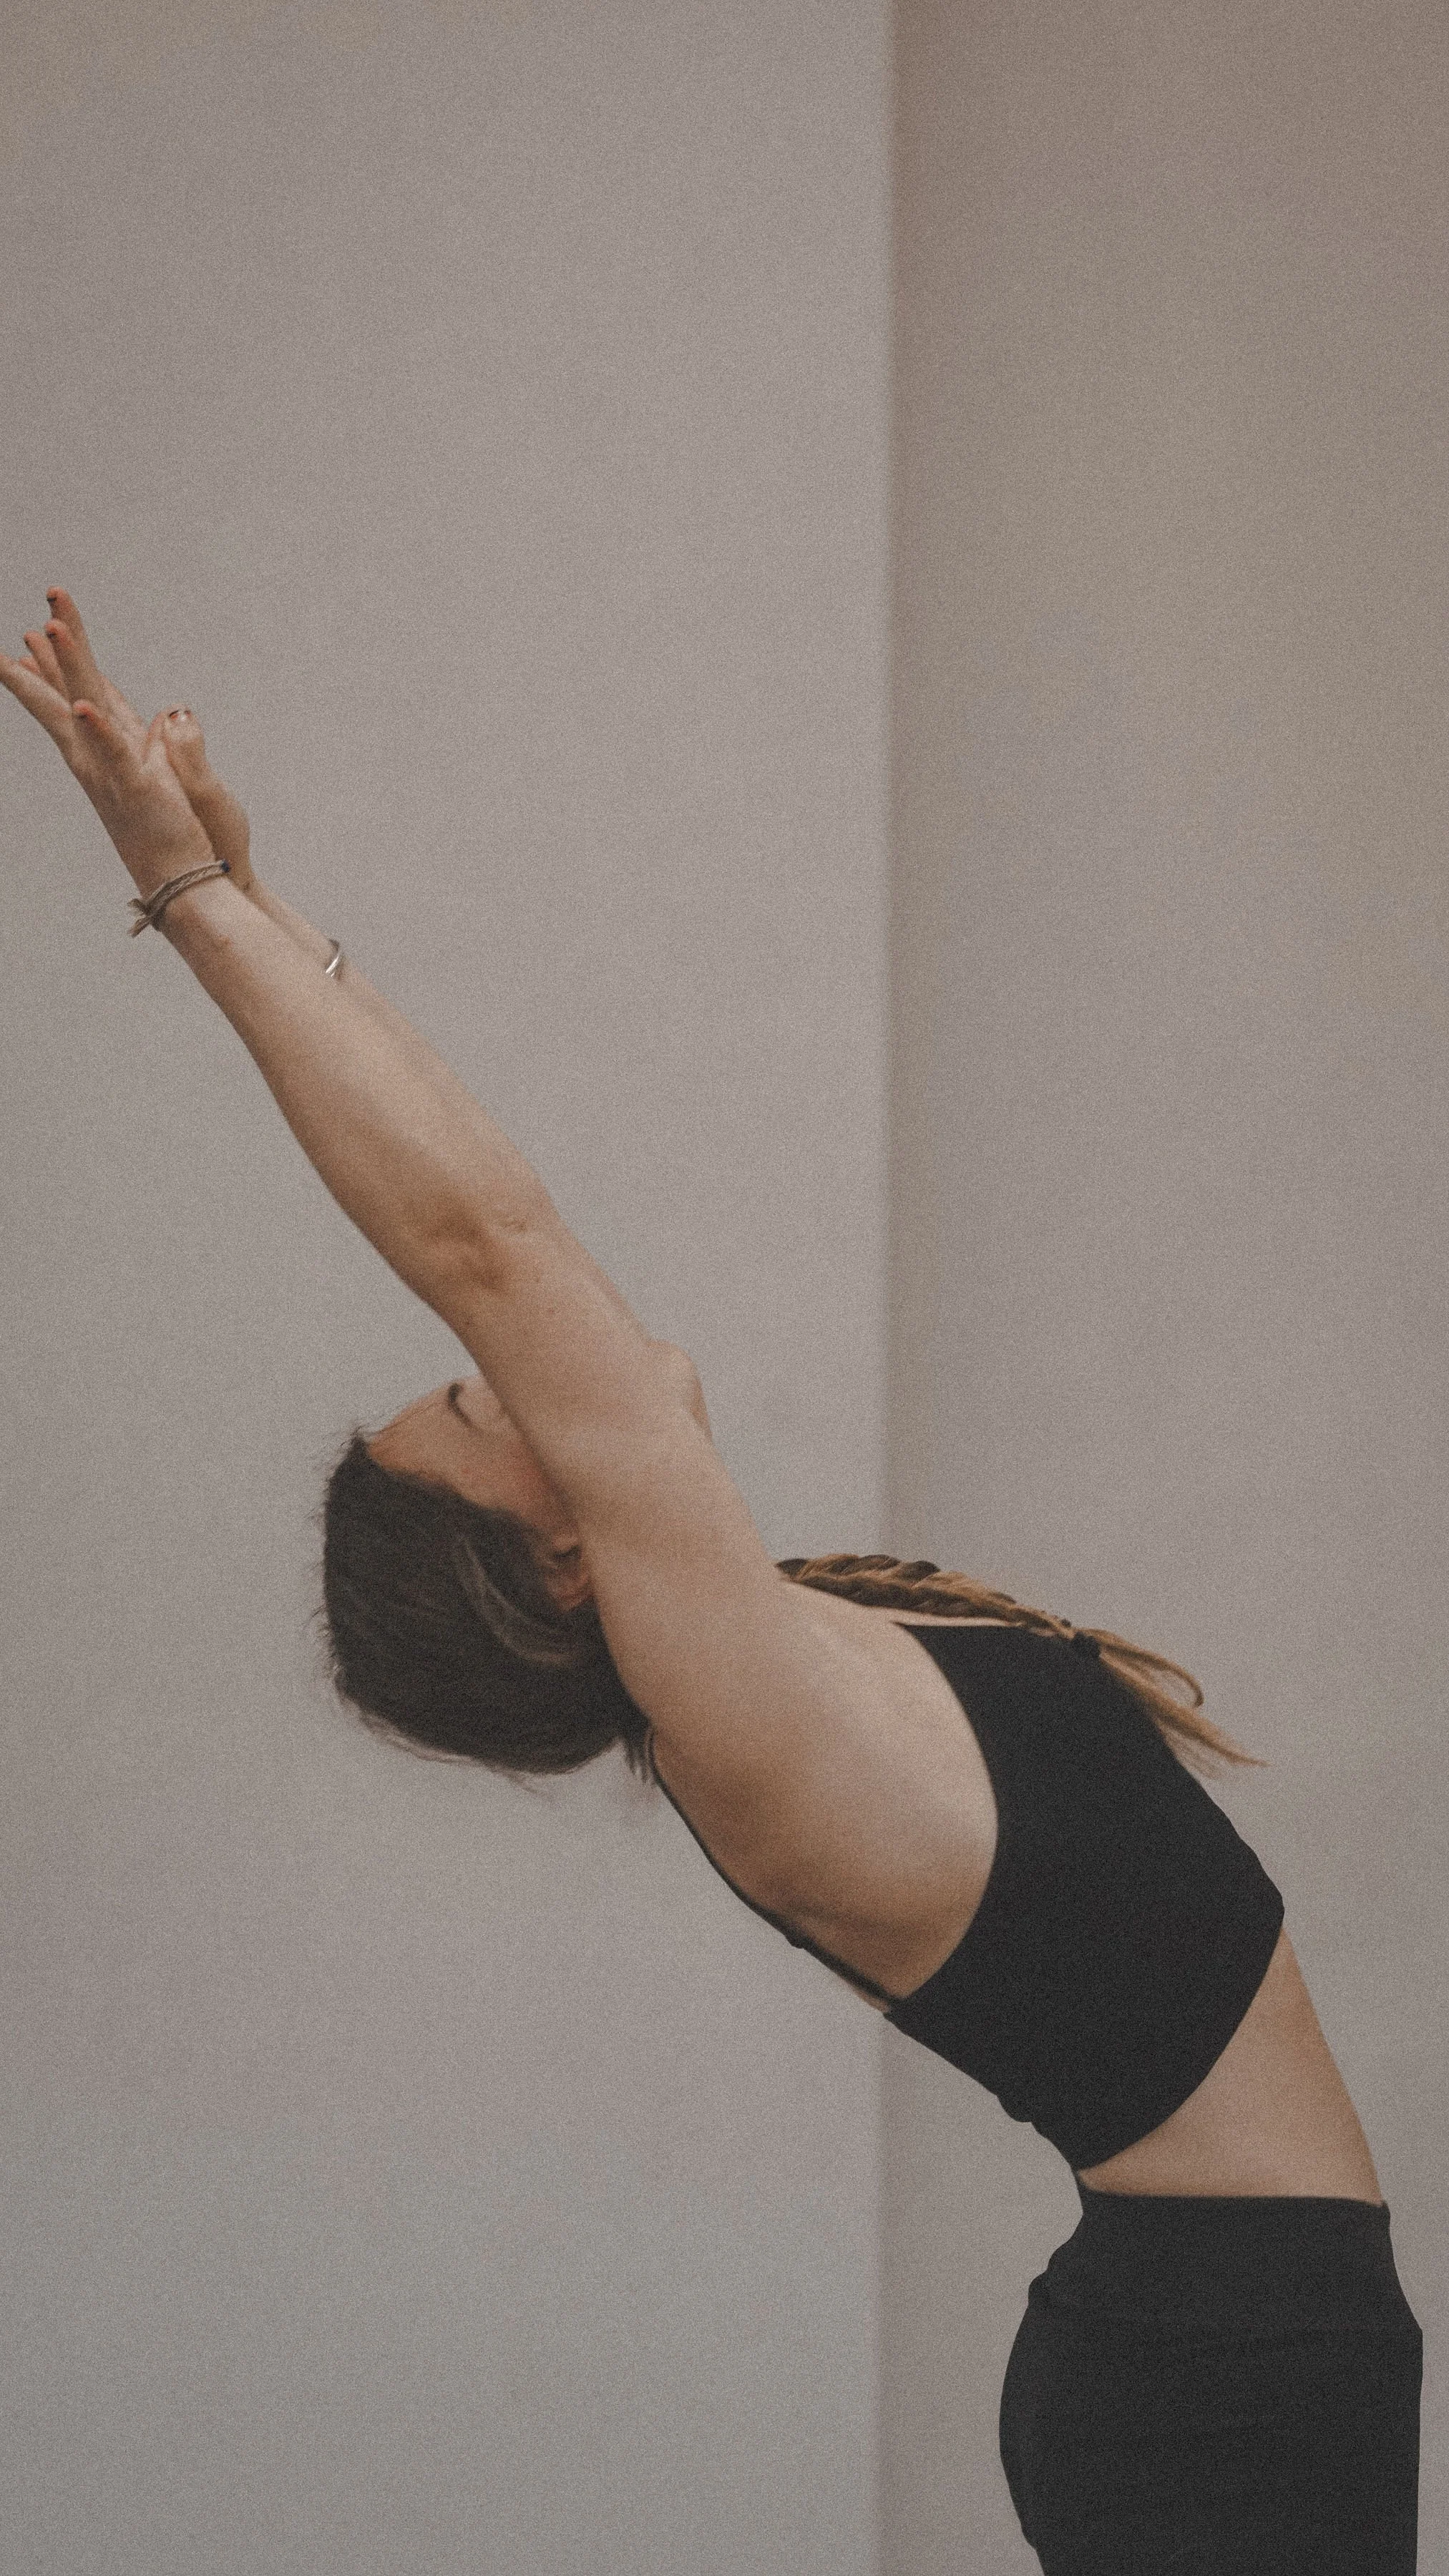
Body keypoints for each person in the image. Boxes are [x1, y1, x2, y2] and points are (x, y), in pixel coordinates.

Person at [3, 588, 1423, 2573]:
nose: (518, 1368)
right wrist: (189, 899)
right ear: (563, 1560)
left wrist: (258, 892)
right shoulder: (746, 1721)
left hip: (1231, 2347)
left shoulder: (796, 1646)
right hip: (1221, 2374)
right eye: (479, 1405)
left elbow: (495, 1239)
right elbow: (486, 1236)